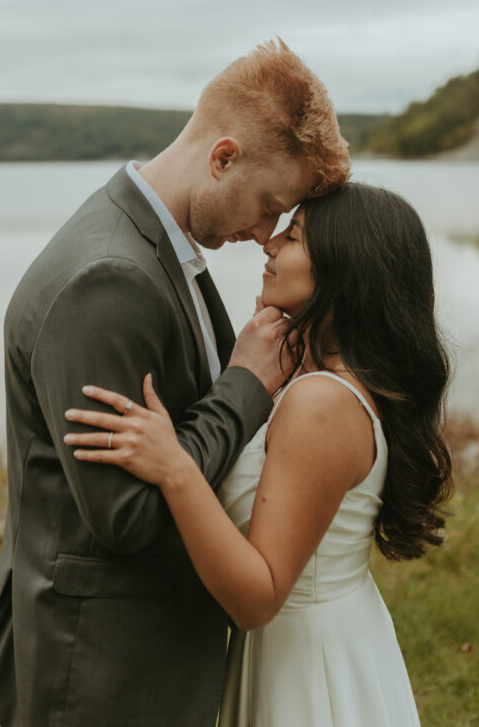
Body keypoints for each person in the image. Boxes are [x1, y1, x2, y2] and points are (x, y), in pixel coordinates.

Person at [0, 40, 351, 727]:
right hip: (105, 672)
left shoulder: (159, 248)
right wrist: (245, 387)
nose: (265, 233)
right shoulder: (108, 279)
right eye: (268, 205)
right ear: (222, 156)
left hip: (132, 657)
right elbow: (126, 516)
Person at [64, 180, 454, 726]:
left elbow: (258, 599)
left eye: (292, 237)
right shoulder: (323, 380)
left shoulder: (321, 402)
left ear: (344, 270)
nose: (268, 244)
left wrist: (176, 467)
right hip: (316, 639)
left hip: (305, 667)